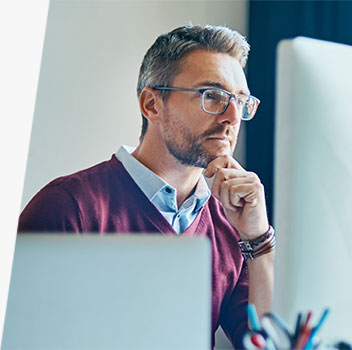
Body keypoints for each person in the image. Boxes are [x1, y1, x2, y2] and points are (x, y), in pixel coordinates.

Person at [18, 24, 273, 348]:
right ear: (152, 104)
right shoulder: (68, 208)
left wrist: (258, 238)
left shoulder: (231, 225)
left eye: (240, 100)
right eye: (212, 96)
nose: (233, 116)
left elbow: (268, 345)